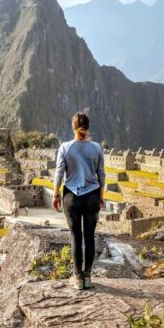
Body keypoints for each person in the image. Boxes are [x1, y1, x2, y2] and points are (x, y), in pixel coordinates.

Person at [53, 112, 105, 290]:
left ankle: (78, 278)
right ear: (88, 127)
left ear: (73, 127)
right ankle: (88, 276)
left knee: (76, 237)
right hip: (92, 196)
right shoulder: (97, 148)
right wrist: (102, 196)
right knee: (89, 236)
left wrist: (55, 194)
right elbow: (101, 173)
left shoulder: (65, 147)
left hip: (72, 197)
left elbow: (59, 172)